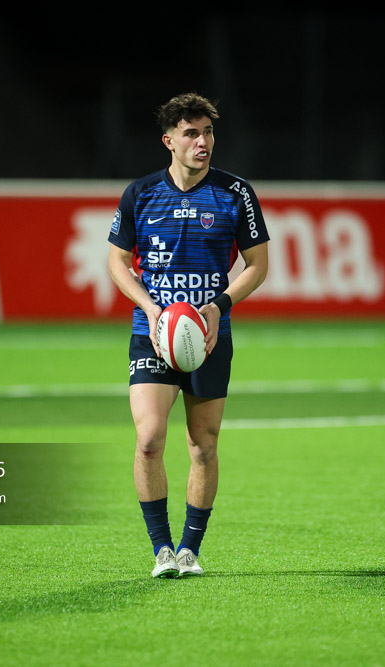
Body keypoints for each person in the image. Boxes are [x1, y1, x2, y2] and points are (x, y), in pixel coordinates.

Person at [107, 93, 270, 577]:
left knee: (203, 445)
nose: (203, 142)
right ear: (169, 141)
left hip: (208, 336)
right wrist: (151, 308)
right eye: (192, 134)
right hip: (154, 334)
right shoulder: (141, 193)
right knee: (150, 439)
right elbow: (117, 261)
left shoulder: (234, 192)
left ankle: (190, 551)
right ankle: (161, 549)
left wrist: (218, 307)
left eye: (208, 133)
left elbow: (258, 264)